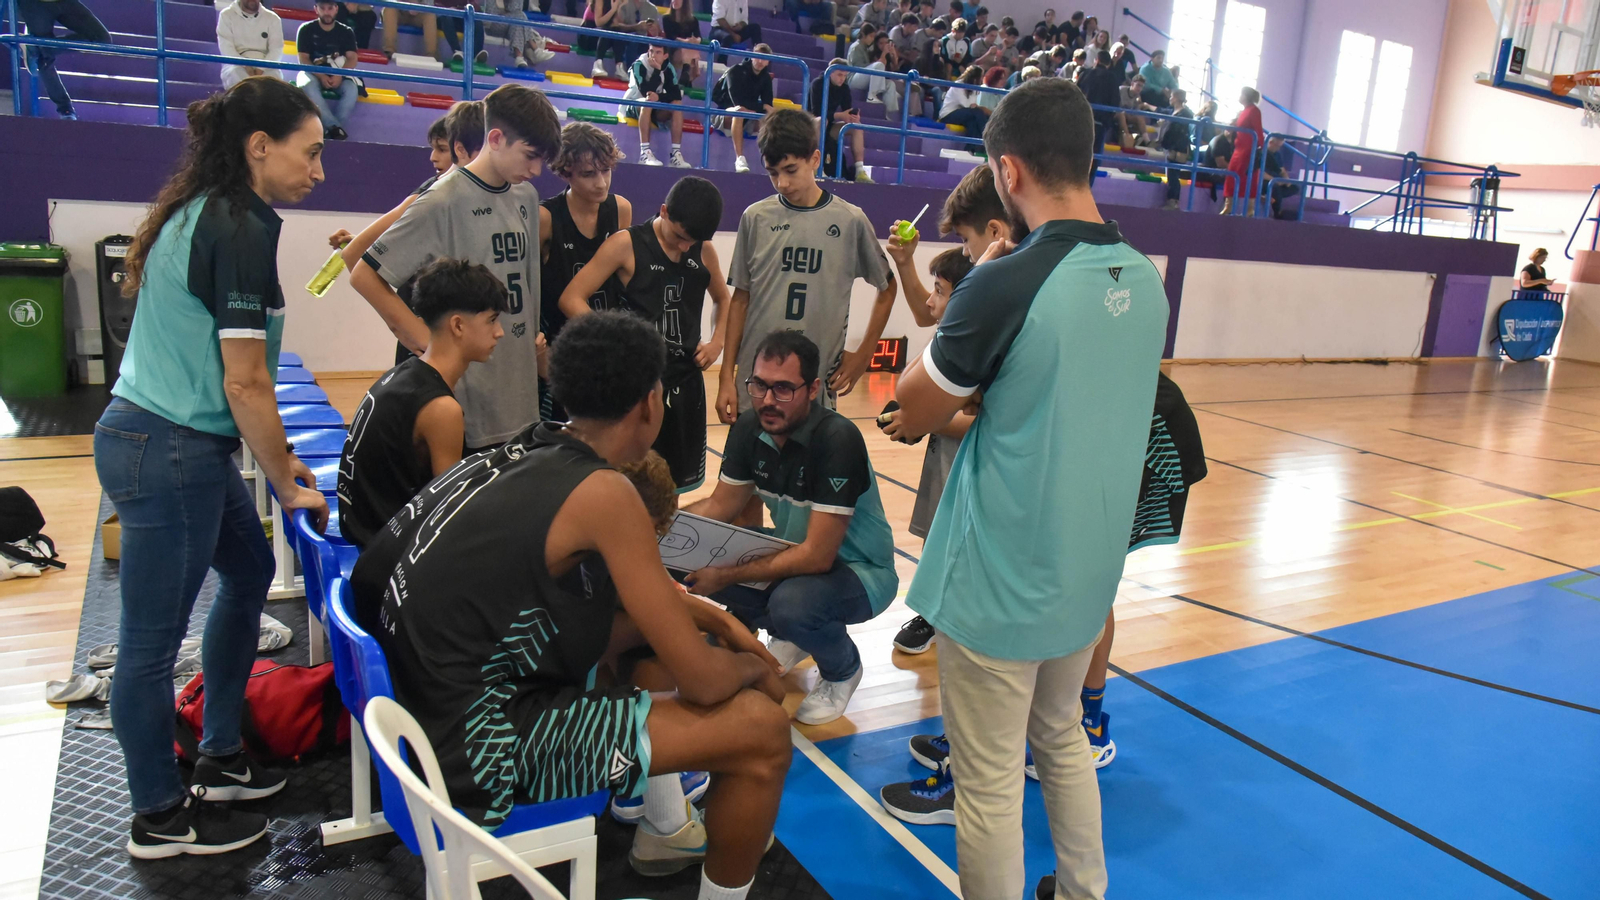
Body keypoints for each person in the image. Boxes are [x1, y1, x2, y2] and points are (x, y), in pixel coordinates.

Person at [352, 311, 793, 899]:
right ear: (649, 403)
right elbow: (708, 683)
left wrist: (721, 625)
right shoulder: (606, 492)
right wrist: (754, 667)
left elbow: (369, 578)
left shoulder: (509, 453)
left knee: (639, 648)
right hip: (479, 753)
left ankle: (664, 824)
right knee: (761, 732)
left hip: (412, 720)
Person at [892, 77, 1168, 900]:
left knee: (986, 783)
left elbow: (913, 405)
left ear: (1007, 173)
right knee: (1060, 737)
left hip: (1003, 580)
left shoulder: (1006, 281)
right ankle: (1085, 891)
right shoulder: (1144, 276)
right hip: (1086, 571)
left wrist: (978, 279)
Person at [96, 77, 329, 859]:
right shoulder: (233, 225)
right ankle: (158, 816)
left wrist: (277, 463)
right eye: (310, 153)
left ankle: (221, 753)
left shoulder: (216, 212)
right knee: (150, 646)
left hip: (177, 442)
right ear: (259, 147)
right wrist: (289, 475)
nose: (319, 172)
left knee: (250, 566)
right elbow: (244, 381)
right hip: (166, 448)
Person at [683, 331, 898, 725]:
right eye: (759, 385)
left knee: (792, 605)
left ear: (813, 388)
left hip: (861, 574)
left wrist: (726, 576)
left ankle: (842, 670)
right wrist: (659, 527)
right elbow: (719, 505)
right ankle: (791, 635)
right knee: (686, 555)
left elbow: (817, 556)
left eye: (783, 389)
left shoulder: (837, 439)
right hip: (796, 558)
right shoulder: (750, 427)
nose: (766, 400)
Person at [352, 84, 562, 452]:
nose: (536, 169)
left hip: (519, 393)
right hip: (468, 397)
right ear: (495, 138)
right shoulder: (442, 198)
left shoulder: (526, 197)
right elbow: (364, 274)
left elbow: (526, 290)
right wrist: (424, 341)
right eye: (530, 156)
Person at [882, 163, 1004, 653]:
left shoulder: (991, 305)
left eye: (970, 241)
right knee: (940, 532)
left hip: (977, 457)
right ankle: (935, 611)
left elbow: (981, 420)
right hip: (947, 443)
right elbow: (926, 310)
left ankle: (943, 616)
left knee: (964, 538)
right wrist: (906, 263)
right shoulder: (966, 300)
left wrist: (923, 419)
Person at [715, 108, 896, 425]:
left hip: (814, 388)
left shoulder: (850, 220)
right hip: (755, 387)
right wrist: (725, 377)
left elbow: (887, 287)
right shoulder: (754, 218)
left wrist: (864, 355)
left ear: (814, 159)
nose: (782, 182)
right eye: (773, 173)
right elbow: (740, 299)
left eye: (790, 169)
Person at [558, 176, 731, 491]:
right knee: (625, 483)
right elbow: (571, 298)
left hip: (684, 382)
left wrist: (717, 341)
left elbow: (723, 299)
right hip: (637, 383)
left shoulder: (703, 251)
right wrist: (616, 341)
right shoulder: (626, 244)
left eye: (692, 241)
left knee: (672, 487)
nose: (684, 246)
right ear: (664, 211)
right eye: (680, 236)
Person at [337, 260, 508, 548]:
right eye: (492, 320)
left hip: (362, 531)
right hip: (383, 555)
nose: (500, 332)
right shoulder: (441, 408)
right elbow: (448, 514)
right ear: (458, 325)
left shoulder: (401, 373)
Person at [329, 101, 485, 367]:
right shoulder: (431, 193)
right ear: (464, 150)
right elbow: (357, 258)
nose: (433, 157)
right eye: (437, 148)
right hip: (434, 338)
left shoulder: (476, 199)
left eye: (440, 149)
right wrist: (410, 330)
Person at [539, 122, 633, 393]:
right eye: (589, 174)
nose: (601, 182)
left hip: (608, 348)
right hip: (563, 348)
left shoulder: (620, 209)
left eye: (606, 170)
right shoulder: (546, 218)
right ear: (566, 172)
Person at [17, 0, 110, 120]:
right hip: (35, 4)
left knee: (101, 38)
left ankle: (37, 48)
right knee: (44, 56)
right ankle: (65, 109)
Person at [296, 0, 360, 140]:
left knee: (352, 90)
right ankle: (334, 128)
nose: (326, 12)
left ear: (336, 9)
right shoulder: (305, 29)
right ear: (316, 9)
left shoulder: (346, 31)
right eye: (322, 8)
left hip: (338, 72)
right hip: (312, 72)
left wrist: (340, 75)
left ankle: (331, 131)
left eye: (330, 8)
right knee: (307, 85)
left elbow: (352, 58)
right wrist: (320, 76)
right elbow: (303, 59)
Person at [623, 43, 691, 168]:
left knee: (677, 104)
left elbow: (676, 94)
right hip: (633, 103)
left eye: (658, 52)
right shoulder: (639, 65)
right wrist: (657, 70)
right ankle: (644, 153)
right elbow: (645, 92)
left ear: (665, 55)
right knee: (647, 101)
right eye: (651, 51)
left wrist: (659, 97)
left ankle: (675, 154)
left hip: (655, 105)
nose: (653, 55)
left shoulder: (668, 68)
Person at [713, 47, 777, 174]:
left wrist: (761, 108)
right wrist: (760, 107)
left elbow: (768, 105)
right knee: (739, 110)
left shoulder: (766, 78)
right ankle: (740, 159)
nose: (760, 61)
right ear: (752, 56)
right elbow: (737, 101)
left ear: (768, 62)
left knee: (770, 116)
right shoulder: (735, 70)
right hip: (724, 113)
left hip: (748, 116)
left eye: (764, 59)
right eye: (758, 56)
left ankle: (770, 160)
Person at [808, 62, 870, 183]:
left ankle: (860, 170)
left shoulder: (844, 88)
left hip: (829, 125)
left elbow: (847, 110)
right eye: (839, 75)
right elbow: (816, 113)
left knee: (856, 127)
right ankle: (815, 167)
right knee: (822, 121)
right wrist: (840, 115)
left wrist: (852, 118)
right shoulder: (817, 84)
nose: (842, 78)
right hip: (810, 125)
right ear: (830, 72)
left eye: (845, 75)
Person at [217, 0, 284, 90]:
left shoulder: (273, 18)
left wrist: (261, 69)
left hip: (265, 64)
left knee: (274, 78)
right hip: (236, 64)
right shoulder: (226, 15)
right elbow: (226, 47)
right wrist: (245, 65)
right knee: (236, 74)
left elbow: (277, 49)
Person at [1219, 85, 1264, 215]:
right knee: (1232, 175)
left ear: (1246, 97)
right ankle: (1229, 206)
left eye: (1241, 94)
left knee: (1246, 176)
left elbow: (1258, 130)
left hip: (1247, 150)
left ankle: (1249, 209)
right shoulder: (1244, 111)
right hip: (1239, 149)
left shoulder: (1254, 111)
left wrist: (1260, 148)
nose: (1239, 97)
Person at [1160, 89, 1193, 210]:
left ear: (1177, 98)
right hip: (1171, 146)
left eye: (1172, 96)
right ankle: (1172, 200)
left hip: (1178, 147)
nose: (1170, 98)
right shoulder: (1174, 112)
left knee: (1174, 174)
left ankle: (1173, 201)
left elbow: (1178, 130)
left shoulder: (1185, 114)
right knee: (1171, 174)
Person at [938, 65, 989, 140]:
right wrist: (975, 107)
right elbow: (967, 105)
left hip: (963, 113)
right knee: (978, 112)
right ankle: (987, 136)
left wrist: (974, 106)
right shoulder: (959, 85)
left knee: (972, 123)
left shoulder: (975, 87)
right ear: (975, 77)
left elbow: (972, 105)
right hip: (948, 114)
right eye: (981, 76)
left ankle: (971, 149)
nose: (982, 78)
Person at [661, 0, 705, 84]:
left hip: (688, 53)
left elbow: (699, 37)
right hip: (672, 51)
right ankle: (686, 73)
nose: (674, 1)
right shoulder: (666, 18)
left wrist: (696, 40)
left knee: (690, 47)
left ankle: (686, 72)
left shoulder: (693, 20)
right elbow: (671, 37)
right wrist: (686, 41)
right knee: (688, 47)